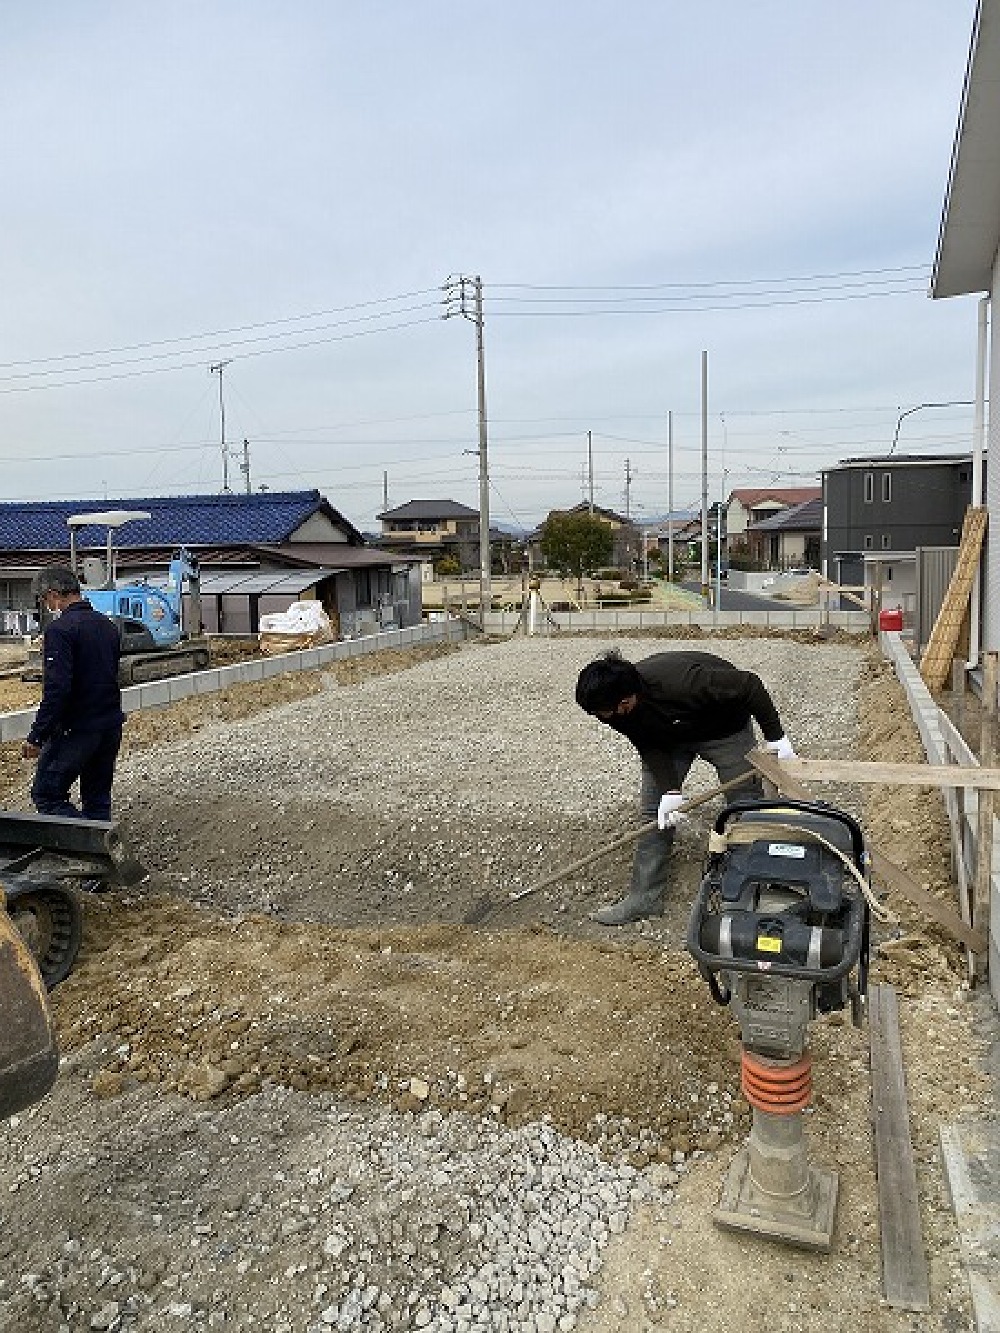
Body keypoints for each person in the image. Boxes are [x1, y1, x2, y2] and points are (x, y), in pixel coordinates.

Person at [575, 647, 796, 925]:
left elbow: (750, 684)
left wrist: (776, 737)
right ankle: (645, 899)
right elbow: (648, 744)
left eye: (604, 712)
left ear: (626, 700)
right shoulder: (613, 712)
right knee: (655, 815)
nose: (603, 719)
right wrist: (669, 790)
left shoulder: (682, 682)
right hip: (669, 738)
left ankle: (750, 895)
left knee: (745, 809)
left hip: (724, 729)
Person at [22, 565, 125, 822]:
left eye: (46, 599)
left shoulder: (60, 631)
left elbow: (58, 689)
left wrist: (37, 736)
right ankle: (101, 853)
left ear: (54, 595)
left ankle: (84, 843)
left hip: (76, 728)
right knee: (97, 799)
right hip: (109, 724)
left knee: (47, 794)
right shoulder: (108, 626)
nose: (47, 605)